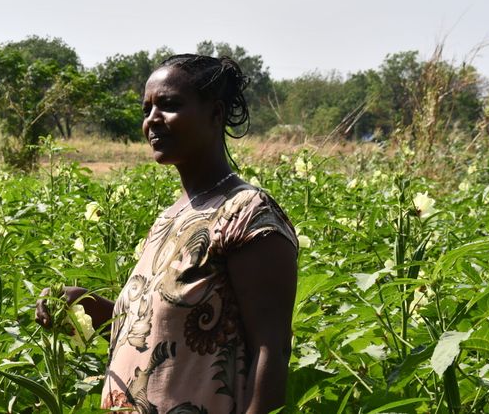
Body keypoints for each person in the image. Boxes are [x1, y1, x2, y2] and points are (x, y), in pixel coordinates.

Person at [35, 55, 298, 414]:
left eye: (170, 105)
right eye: (147, 109)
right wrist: (87, 305)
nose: (152, 120)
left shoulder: (247, 213)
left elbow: (273, 347)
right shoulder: (169, 217)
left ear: (216, 114)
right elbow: (156, 330)